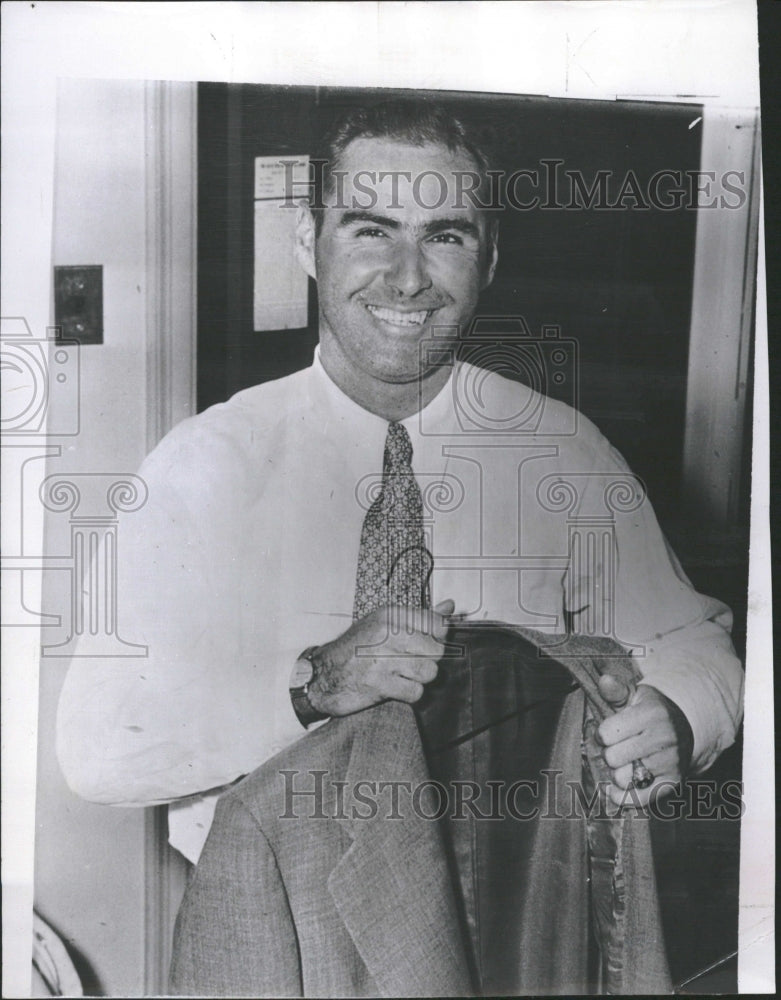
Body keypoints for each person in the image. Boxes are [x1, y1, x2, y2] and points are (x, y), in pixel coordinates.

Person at [56, 100, 743, 865]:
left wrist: (677, 714)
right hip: (271, 912)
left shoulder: (562, 451)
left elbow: (694, 647)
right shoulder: (204, 465)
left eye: (444, 236)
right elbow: (96, 750)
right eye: (371, 230)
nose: (407, 279)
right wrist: (309, 687)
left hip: (505, 900)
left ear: (486, 260)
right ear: (308, 243)